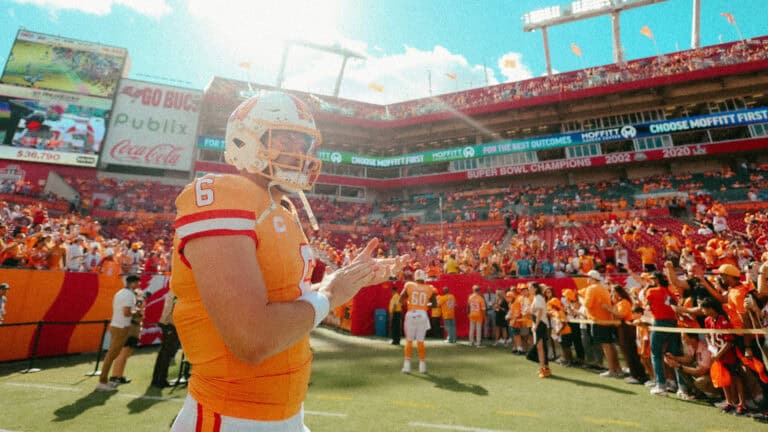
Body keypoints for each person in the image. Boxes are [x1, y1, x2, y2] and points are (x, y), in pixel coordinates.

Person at [169, 92, 407, 431]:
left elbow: (287, 299)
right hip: (230, 417)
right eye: (286, 137)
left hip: (288, 414)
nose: (301, 151)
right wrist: (330, 296)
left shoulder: (283, 210)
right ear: (245, 138)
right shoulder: (221, 194)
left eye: (305, 141)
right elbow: (253, 339)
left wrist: (341, 280)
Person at [95, 274, 139, 392]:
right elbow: (126, 312)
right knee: (111, 355)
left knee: (112, 354)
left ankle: (104, 380)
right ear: (132, 283)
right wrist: (136, 312)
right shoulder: (128, 295)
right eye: (137, 283)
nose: (138, 285)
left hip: (117, 325)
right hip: (121, 327)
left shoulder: (121, 292)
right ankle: (102, 381)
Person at [583, 270, 622, 378]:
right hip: (606, 320)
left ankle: (612, 370)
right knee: (609, 345)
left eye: (588, 277)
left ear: (592, 278)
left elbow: (588, 304)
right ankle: (616, 368)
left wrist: (582, 299)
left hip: (599, 320)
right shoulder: (602, 288)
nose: (587, 279)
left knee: (606, 346)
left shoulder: (591, 288)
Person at [110, 287, 145, 385]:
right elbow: (136, 314)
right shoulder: (133, 301)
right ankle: (115, 376)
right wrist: (139, 312)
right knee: (123, 353)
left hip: (131, 327)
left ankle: (118, 375)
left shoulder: (131, 301)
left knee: (125, 354)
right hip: (130, 328)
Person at [400, 269, 433, 373]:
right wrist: (425, 305)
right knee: (420, 341)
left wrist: (409, 301)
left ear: (415, 277)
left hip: (411, 314)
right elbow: (435, 304)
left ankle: (407, 366)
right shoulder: (429, 288)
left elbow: (401, 300)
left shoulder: (409, 285)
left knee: (409, 341)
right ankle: (422, 366)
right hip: (422, 315)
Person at [151, 291, 180, 388]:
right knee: (166, 353)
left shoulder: (173, 292)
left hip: (169, 324)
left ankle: (158, 379)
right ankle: (160, 379)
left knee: (165, 353)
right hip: (170, 325)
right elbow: (169, 309)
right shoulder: (175, 292)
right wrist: (166, 322)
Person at [530, 283, 552, 378]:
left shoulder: (538, 297)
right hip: (539, 323)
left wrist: (537, 325)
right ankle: (544, 367)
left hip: (540, 324)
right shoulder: (537, 297)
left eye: (530, 287)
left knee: (540, 347)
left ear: (535, 289)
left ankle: (543, 368)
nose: (529, 289)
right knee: (541, 347)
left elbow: (540, 311)